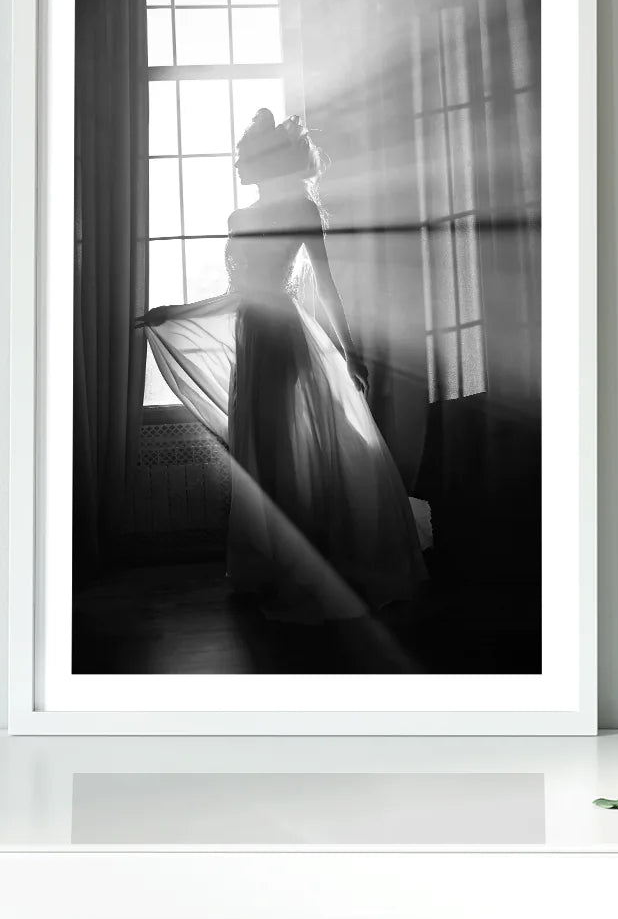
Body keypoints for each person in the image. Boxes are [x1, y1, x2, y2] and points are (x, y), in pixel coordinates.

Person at [137, 110, 427, 624]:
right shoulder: (237, 218)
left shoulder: (301, 208)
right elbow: (236, 294)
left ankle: (309, 566)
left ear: (265, 161)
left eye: (244, 158)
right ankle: (272, 564)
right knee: (262, 455)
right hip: (254, 336)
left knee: (287, 451)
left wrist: (350, 352)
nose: (238, 166)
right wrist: (176, 315)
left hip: (286, 341)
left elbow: (327, 285)